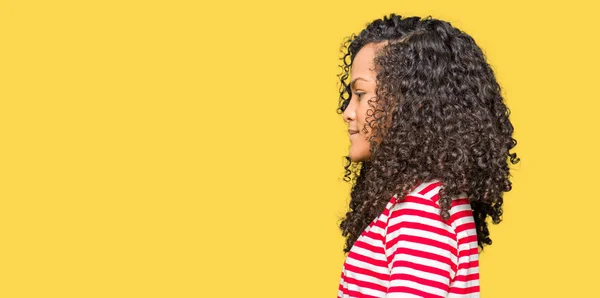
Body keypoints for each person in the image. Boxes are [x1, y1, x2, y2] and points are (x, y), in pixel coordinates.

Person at [335, 13, 520, 298]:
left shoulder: (423, 211)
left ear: (413, 105)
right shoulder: (421, 201)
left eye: (360, 94)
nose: (347, 112)